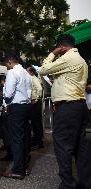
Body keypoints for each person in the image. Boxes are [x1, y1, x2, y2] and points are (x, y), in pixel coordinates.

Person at [39, 34, 91, 189]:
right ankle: (86, 182)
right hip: (79, 106)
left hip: (68, 108)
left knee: (63, 145)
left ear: (61, 46)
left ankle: (67, 184)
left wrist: (53, 53)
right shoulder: (80, 60)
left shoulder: (68, 57)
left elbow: (43, 69)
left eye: (58, 48)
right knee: (80, 147)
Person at [2, 52, 32, 180]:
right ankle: (24, 167)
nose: (6, 67)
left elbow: (8, 93)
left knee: (16, 139)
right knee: (24, 137)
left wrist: (4, 98)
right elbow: (29, 91)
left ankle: (18, 170)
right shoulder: (26, 73)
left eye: (6, 65)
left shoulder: (12, 72)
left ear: (10, 62)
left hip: (16, 107)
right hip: (26, 106)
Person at [26, 66, 44, 150]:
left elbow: (40, 89)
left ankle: (39, 142)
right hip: (33, 102)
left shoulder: (34, 79)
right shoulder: (31, 79)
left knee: (36, 122)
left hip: (35, 103)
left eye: (27, 71)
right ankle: (37, 140)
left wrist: (36, 99)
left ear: (31, 72)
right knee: (34, 123)